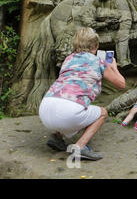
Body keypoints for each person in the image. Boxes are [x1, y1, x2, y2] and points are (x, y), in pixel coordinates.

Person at [38, 27, 126, 160]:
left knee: (65, 97)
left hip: (45, 109)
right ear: (96, 46)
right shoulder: (99, 62)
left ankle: (56, 137)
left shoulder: (68, 59)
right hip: (67, 113)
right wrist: (113, 67)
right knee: (103, 113)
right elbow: (121, 84)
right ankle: (79, 147)